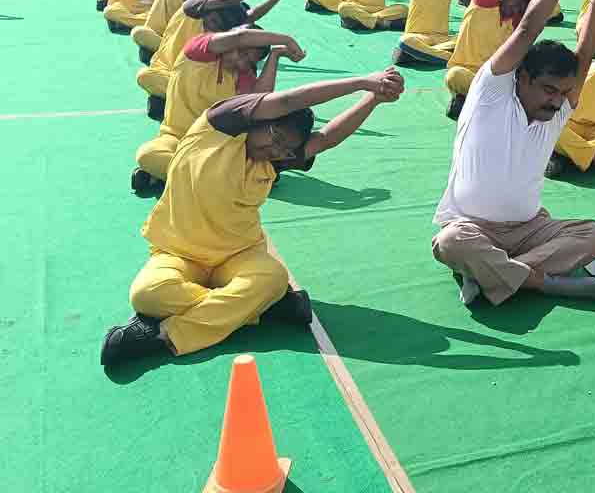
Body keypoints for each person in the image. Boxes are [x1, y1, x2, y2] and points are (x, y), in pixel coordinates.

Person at [100, 69, 406, 368]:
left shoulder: (270, 163)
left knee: (271, 277)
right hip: (178, 252)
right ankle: (261, 309)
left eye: (285, 148)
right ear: (258, 120)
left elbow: (325, 138)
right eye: (275, 136)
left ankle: (165, 337)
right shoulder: (217, 129)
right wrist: (361, 82)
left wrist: (373, 99)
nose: (275, 150)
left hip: (238, 256)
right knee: (147, 295)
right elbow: (286, 102)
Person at [431, 0, 595, 307]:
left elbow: (587, 48)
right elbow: (529, 29)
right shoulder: (493, 92)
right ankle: (543, 282)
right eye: (549, 90)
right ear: (523, 77)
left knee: (594, 235)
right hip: (471, 226)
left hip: (530, 229)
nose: (558, 101)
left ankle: (493, 275)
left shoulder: (557, 109)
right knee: (449, 243)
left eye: (563, 92)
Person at [132, 27, 304, 193]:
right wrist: (286, 39)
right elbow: (240, 37)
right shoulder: (197, 50)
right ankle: (226, 182)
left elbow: (259, 102)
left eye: (249, 62)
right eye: (241, 53)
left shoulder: (242, 76)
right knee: (148, 155)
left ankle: (171, 178)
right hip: (175, 136)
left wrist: (275, 56)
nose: (241, 62)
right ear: (227, 42)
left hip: (215, 148)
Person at [138, 0, 287, 120]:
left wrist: (275, 54)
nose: (213, 26)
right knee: (142, 46)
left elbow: (257, 99)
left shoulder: (228, 53)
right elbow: (228, 0)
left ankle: (166, 100)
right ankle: (170, 100)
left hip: (193, 100)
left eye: (220, 26)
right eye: (214, 19)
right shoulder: (192, 15)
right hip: (168, 70)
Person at [443, 0, 571, 117]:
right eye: (516, 3)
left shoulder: (515, 22)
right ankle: (482, 102)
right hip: (467, 74)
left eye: (521, 9)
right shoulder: (484, 2)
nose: (515, 10)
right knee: (455, 75)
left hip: (495, 81)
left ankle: (474, 102)